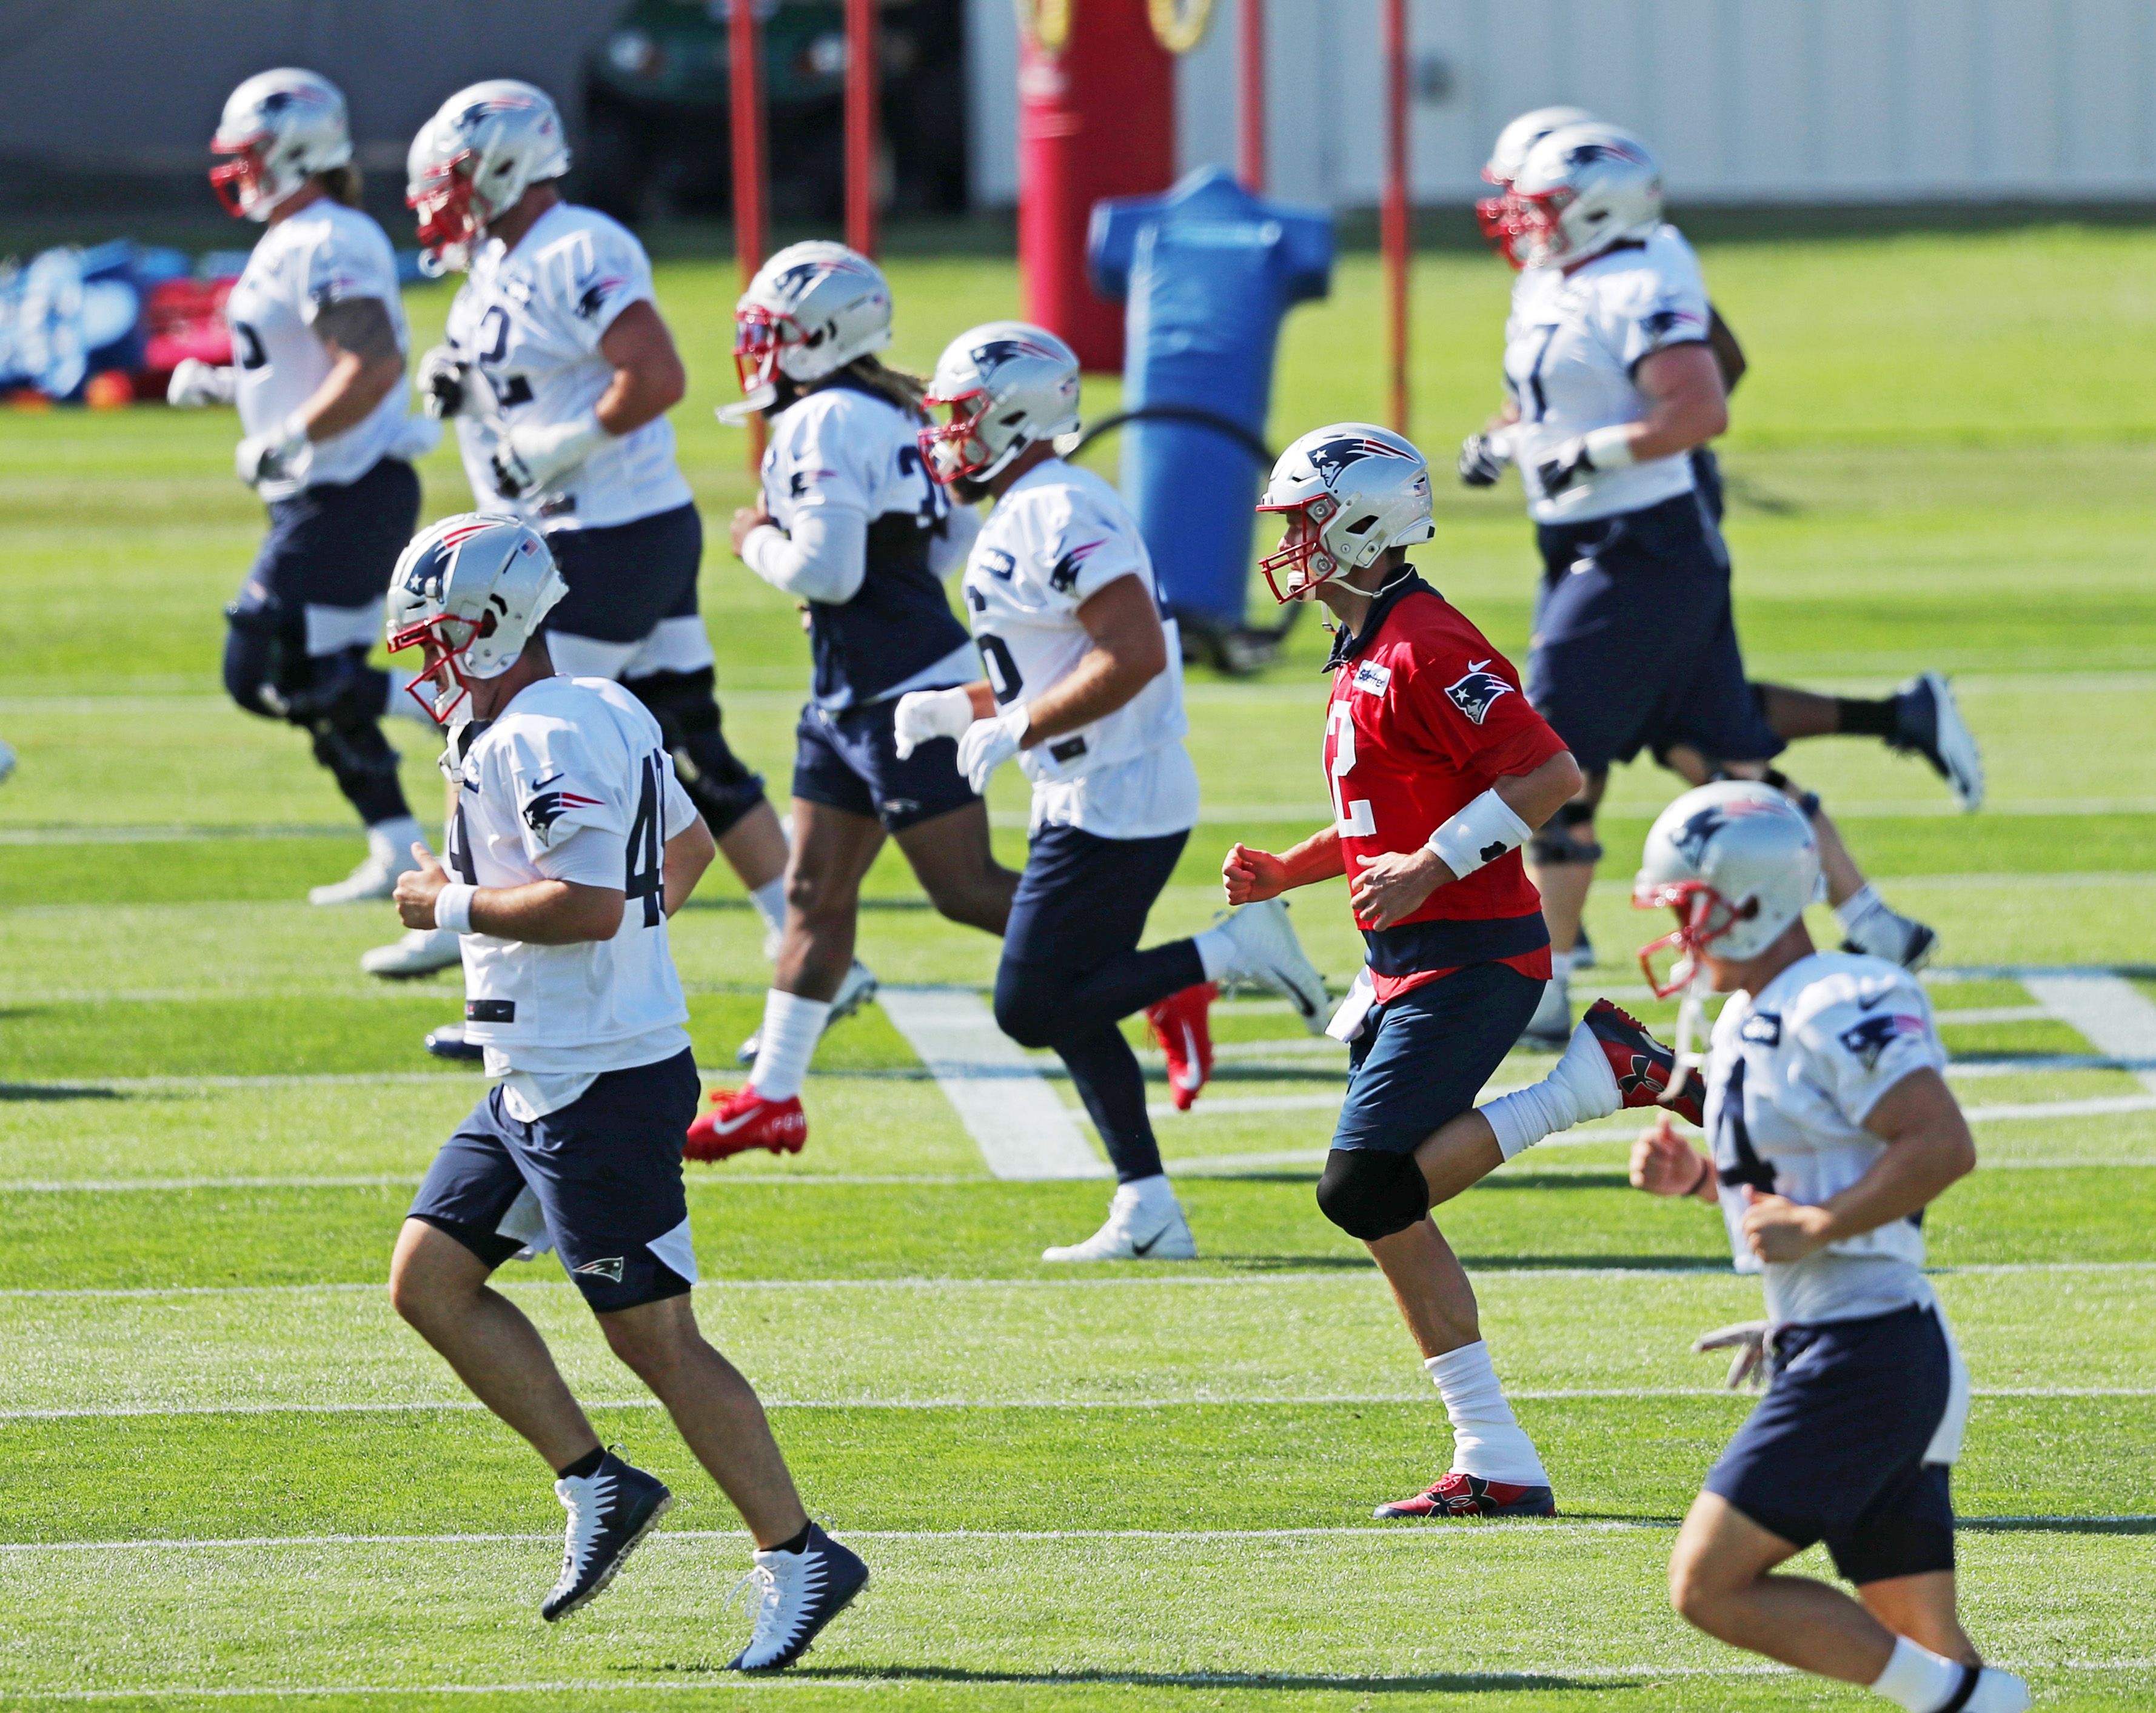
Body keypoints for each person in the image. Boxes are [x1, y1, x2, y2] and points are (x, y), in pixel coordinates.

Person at [381, 512, 866, 1670]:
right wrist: (608, 960)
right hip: (542, 1064)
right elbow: (683, 855)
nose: (428, 662)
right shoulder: (594, 705)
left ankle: (798, 1550)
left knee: (655, 1337)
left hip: (593, 1078)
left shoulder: (538, 734)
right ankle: (600, 1482)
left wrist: (450, 905)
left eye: (440, 636)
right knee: (430, 1280)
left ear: (494, 624)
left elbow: (594, 902)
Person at [1224, 423, 1698, 1518]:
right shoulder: (1364, 644)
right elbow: (1384, 809)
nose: (1290, 543)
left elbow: (1550, 773)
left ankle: (1591, 1081)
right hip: (1413, 959)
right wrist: (1293, 869)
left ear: (1361, 522)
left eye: (1304, 521)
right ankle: (1496, 1454)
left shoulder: (1428, 642)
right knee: (1383, 1205)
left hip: (1474, 957)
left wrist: (1432, 867)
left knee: (1362, 1187)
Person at [1458, 119, 1958, 1048]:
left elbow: (1702, 400)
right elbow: (1553, 400)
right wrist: (1508, 440)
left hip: (1636, 551)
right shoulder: (1557, 276)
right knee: (1721, 757)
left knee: (1555, 762)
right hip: (1608, 548)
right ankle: (1874, 920)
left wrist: (1592, 454)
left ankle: (1549, 978)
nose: (1525, 222)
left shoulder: (1639, 277)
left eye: (1543, 204)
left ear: (1599, 208)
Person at [363, 79, 804, 1061]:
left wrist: (558, 447)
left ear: (509, 165)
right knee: (696, 744)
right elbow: (528, 374)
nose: (443, 199)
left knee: (495, 726)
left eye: (457, 178)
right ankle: (803, 939)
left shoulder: (577, 246)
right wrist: (464, 387)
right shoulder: (493, 265)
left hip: (602, 531)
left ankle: (483, 945)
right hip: (599, 531)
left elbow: (654, 375)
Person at [895, 322, 1331, 1261]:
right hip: (1089, 785)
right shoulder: (1028, 507)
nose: (945, 437)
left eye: (961, 417)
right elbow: (1046, 664)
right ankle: (1149, 1206)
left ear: (1016, 416)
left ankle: (1234, 947)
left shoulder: (1056, 507)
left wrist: (1018, 727)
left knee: (1031, 1002)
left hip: (1119, 792)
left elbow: (1130, 652)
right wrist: (960, 707)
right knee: (1074, 997)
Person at [1625, 780, 2029, 1713]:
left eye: (1689, 902)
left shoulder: (1841, 994)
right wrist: (1700, 1183)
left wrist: (1818, 1231)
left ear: (1752, 896)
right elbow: (1800, 1168)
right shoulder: (1744, 1016)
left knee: (1709, 1582)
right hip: (1855, 1338)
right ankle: (1974, 1700)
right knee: (1920, 1637)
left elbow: (1940, 1142)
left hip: (1872, 1348)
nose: (1680, 926)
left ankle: (1978, 1701)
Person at [685, 241, 1011, 1156]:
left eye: (774, 333)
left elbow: (826, 571)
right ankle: (773, 1095)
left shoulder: (821, 420)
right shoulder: (888, 408)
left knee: (965, 888)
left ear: (820, 336)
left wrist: (754, 539)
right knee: (810, 889)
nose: (759, 349)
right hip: (855, 689)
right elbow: (951, 541)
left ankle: (1159, 977)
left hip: (903, 692)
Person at [172, 67, 440, 905]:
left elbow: (371, 365)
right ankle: (398, 847)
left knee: (262, 671)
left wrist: (286, 435)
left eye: (251, 154)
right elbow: (306, 365)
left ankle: (461, 705)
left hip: (349, 491)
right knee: (318, 679)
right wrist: (228, 389)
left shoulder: (325, 238)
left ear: (298, 151)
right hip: (328, 489)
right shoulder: (298, 237)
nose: (240, 170)